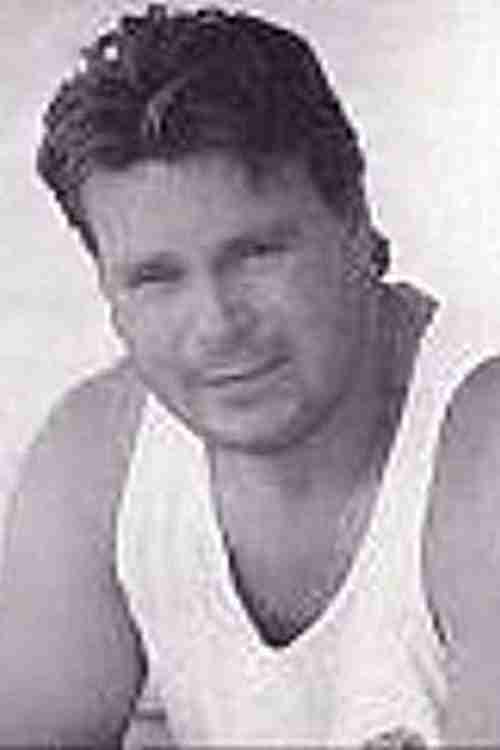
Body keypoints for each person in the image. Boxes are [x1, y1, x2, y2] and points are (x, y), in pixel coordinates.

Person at [0, 3, 497, 747]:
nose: (217, 324)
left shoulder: (482, 444)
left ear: (355, 222)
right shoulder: (97, 453)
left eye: (257, 253)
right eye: (156, 278)